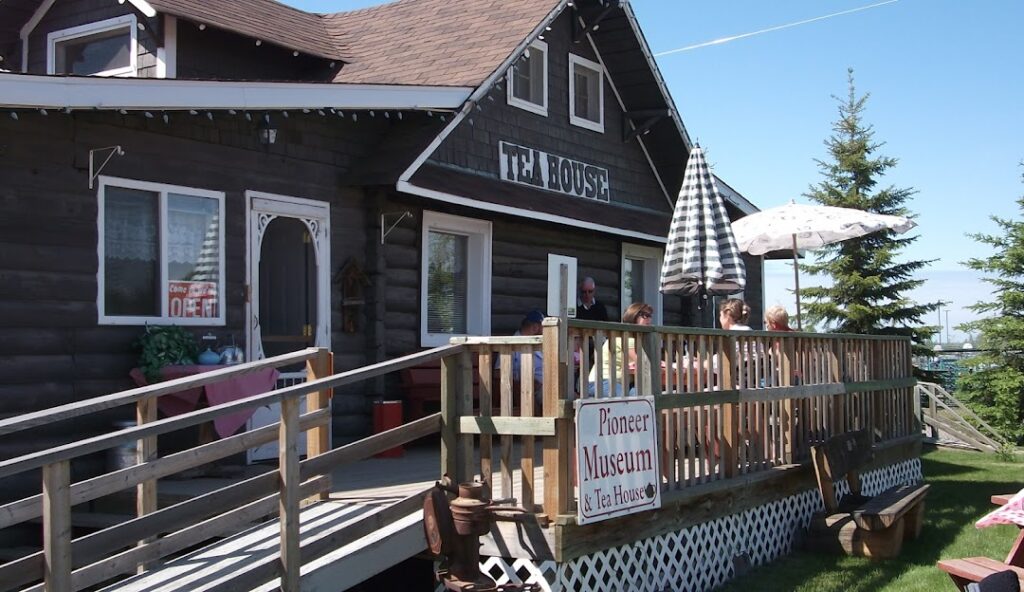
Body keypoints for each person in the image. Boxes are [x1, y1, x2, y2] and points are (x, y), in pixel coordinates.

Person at [586, 302, 653, 397]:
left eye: (650, 316)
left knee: (642, 396)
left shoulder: (637, 337)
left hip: (622, 383)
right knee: (623, 400)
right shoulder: (626, 336)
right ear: (634, 316)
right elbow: (642, 362)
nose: (649, 319)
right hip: (601, 381)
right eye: (645, 315)